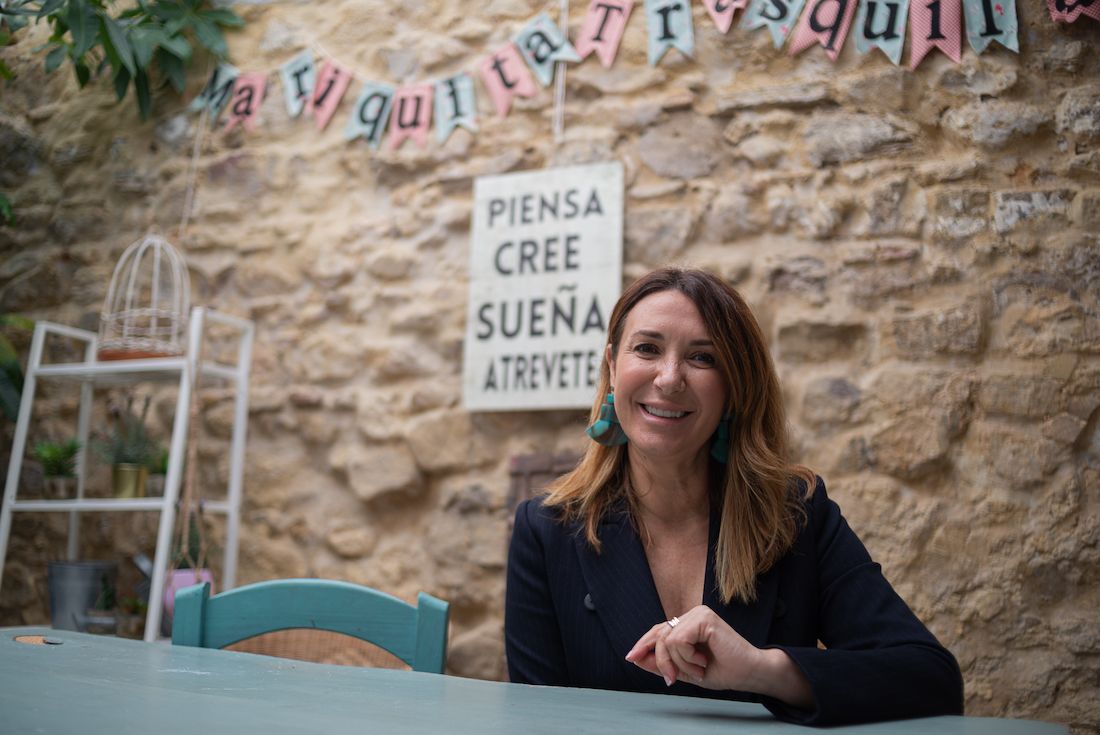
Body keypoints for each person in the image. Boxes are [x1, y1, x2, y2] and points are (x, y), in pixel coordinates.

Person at [505, 267, 964, 725]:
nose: (669, 378)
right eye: (647, 349)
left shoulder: (796, 515)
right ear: (612, 364)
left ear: (734, 386)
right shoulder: (546, 530)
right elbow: (536, 722)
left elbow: (931, 679)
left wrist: (761, 670)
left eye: (702, 358)